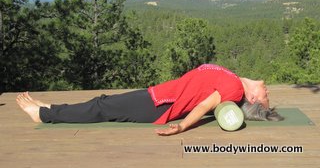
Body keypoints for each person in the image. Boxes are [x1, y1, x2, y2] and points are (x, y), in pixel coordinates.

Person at [16, 64, 283, 136]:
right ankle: (52, 108)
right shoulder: (233, 77)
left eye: (265, 98)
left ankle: (44, 115)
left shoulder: (235, 90)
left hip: (160, 106)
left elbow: (204, 106)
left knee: (102, 108)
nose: (267, 91)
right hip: (157, 95)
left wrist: (181, 127)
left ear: (251, 98)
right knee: (104, 101)